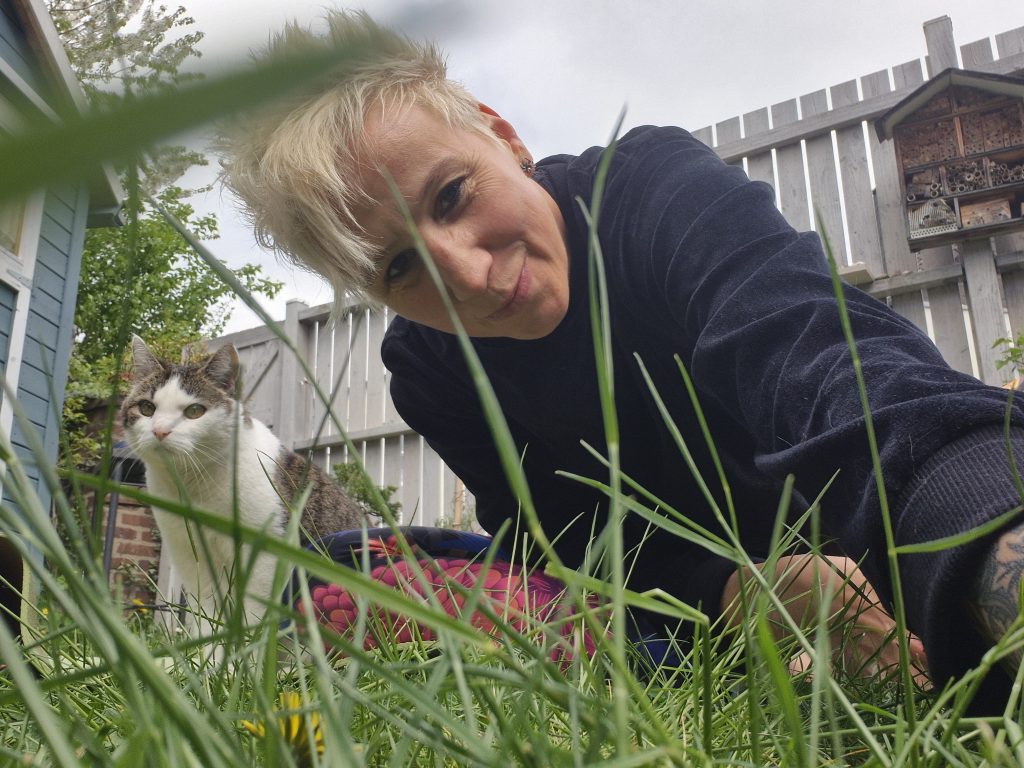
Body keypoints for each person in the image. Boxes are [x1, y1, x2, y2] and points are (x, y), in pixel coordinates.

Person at [218, 11, 1024, 707]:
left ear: (502, 135)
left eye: (452, 195)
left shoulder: (655, 194)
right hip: (689, 615)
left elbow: (828, 363)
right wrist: (740, 590)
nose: (466, 275)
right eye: (399, 266)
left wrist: (976, 534)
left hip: (869, 541)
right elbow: (561, 547)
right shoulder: (429, 371)